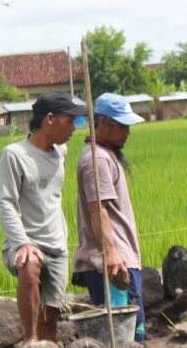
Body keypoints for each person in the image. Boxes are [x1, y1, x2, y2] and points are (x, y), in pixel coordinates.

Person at [0, 91, 87, 345]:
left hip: (57, 246)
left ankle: (43, 341)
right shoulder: (14, 155)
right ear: (50, 119)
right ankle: (29, 340)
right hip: (26, 243)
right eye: (70, 121)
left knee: (50, 326)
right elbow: (6, 204)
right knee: (29, 264)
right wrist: (23, 243)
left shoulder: (62, 152)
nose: (74, 127)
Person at [72, 93, 146, 342]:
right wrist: (112, 254)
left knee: (133, 335)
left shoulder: (105, 154)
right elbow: (98, 209)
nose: (127, 131)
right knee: (122, 339)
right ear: (103, 123)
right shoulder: (98, 159)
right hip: (114, 267)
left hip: (120, 262)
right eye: (122, 125)